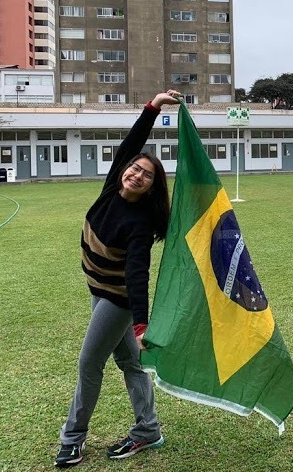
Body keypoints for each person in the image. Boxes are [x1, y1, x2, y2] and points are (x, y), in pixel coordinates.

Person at [55, 90, 182, 468]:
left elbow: (137, 275)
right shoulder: (113, 186)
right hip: (97, 288)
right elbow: (132, 143)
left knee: (89, 364)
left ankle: (72, 438)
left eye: (147, 175)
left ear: (152, 187)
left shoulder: (140, 224)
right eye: (135, 168)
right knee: (131, 363)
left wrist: (140, 322)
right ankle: (148, 430)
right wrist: (153, 107)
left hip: (118, 299)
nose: (137, 174)